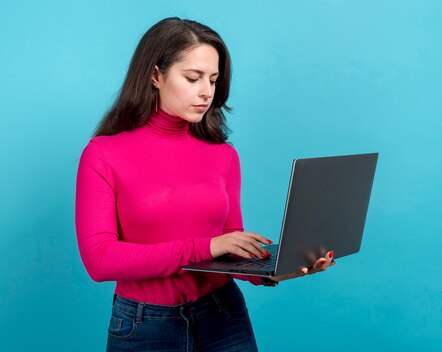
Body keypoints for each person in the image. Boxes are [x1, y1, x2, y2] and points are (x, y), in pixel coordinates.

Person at [75, 17, 334, 352]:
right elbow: (100, 260)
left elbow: (229, 250)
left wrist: (275, 268)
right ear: (155, 75)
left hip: (223, 316)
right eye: (192, 78)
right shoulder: (103, 154)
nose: (206, 92)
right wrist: (204, 246)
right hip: (144, 325)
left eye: (213, 79)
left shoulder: (223, 156)